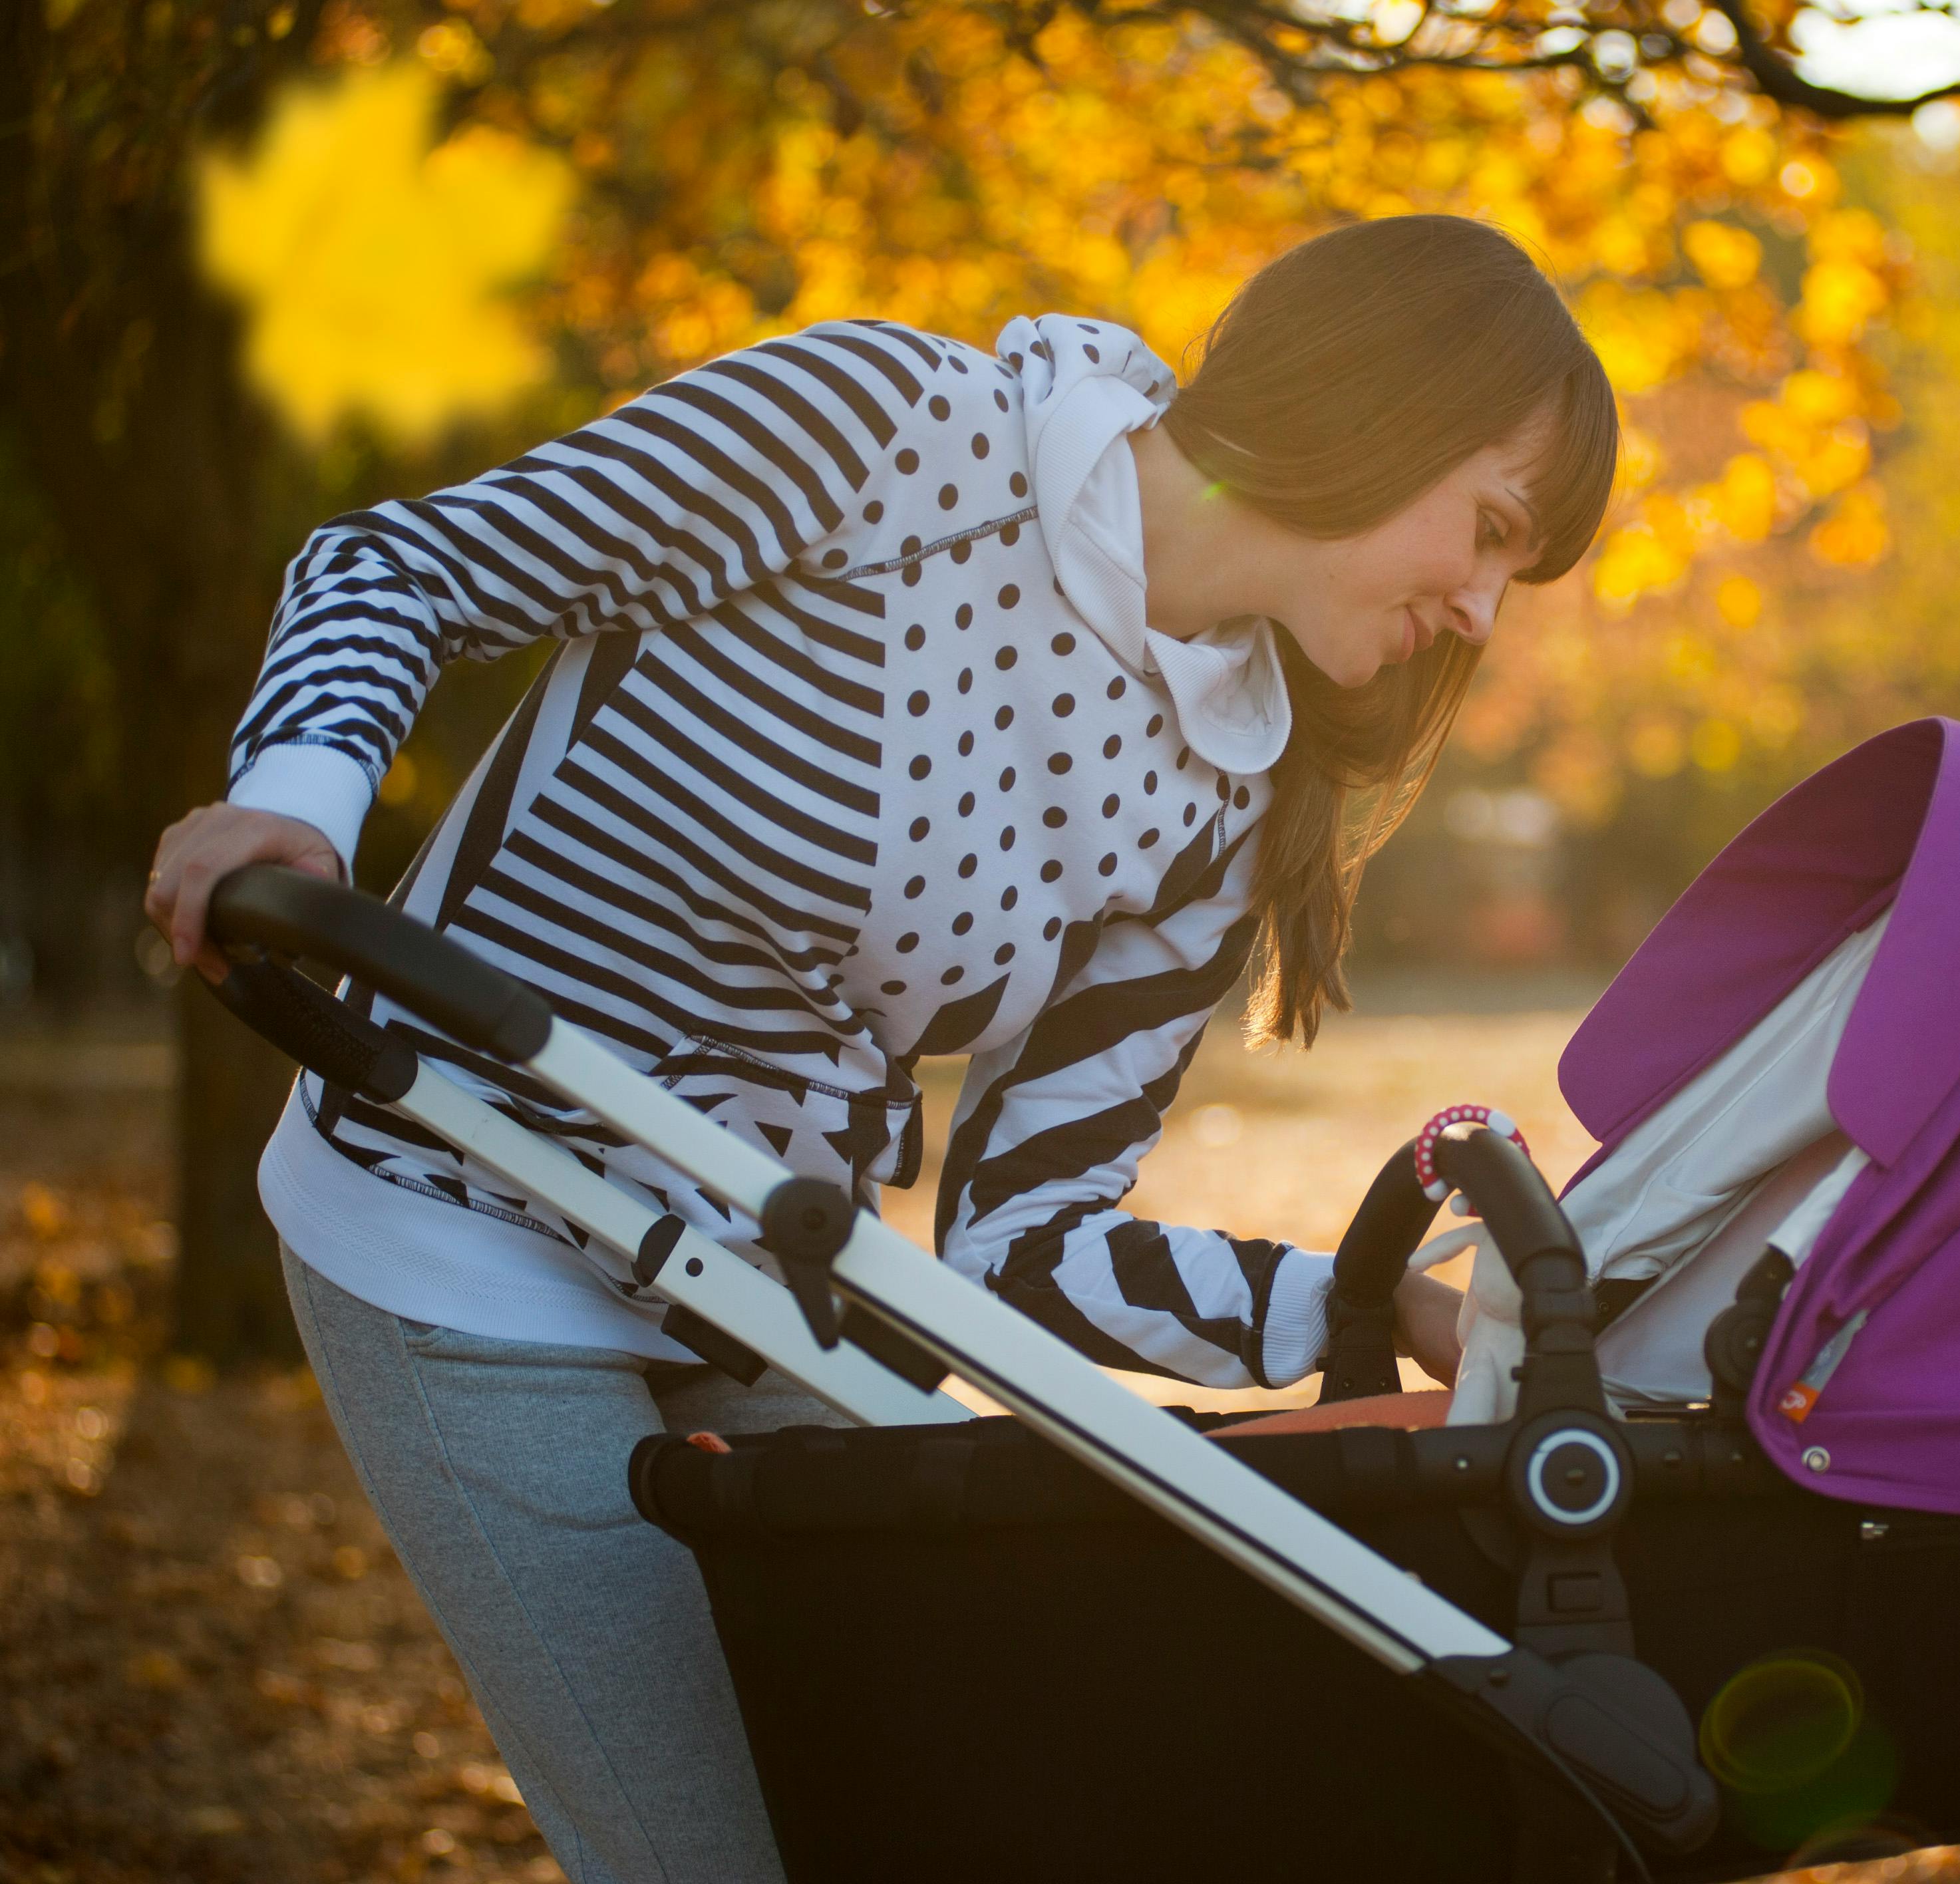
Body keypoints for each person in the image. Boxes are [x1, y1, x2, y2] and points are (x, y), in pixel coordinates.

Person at [142, 214, 1618, 1884]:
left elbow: (1029, 1252)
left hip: (760, 1279)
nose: (1487, 616)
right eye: (1490, 533)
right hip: (461, 1204)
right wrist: (299, 800)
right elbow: (406, 566)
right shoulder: (891, 435)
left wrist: (1378, 1308)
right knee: (711, 1852)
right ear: (1380, 407)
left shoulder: (1225, 797)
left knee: (919, 1820)